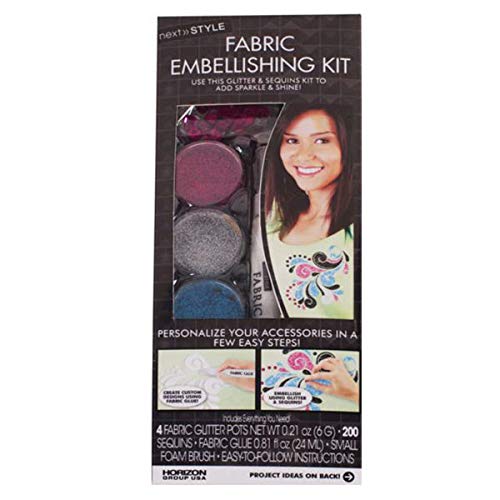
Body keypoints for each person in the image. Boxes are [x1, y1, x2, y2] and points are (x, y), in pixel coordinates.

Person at [264, 103, 355, 319]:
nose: (303, 156)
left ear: (348, 145)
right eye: (292, 141)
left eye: (322, 141)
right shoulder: (274, 215)